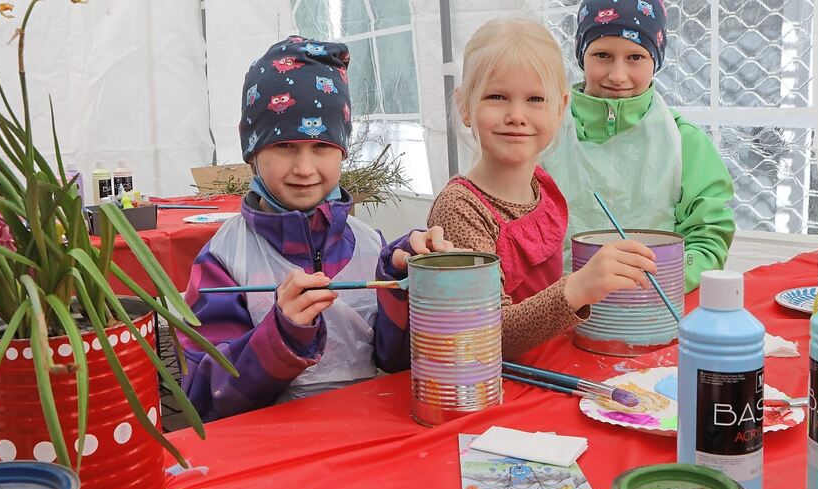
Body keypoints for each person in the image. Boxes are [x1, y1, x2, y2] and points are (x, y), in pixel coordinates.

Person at [178, 36, 455, 421]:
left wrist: (405, 284)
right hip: (271, 445)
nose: (305, 168)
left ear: (342, 151)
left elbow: (395, 363)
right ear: (253, 154)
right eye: (284, 147)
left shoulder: (368, 245)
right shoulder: (224, 260)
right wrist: (281, 334)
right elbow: (203, 398)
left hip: (368, 434)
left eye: (322, 147)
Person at [427, 19, 657, 360]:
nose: (516, 115)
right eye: (496, 97)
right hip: (499, 385)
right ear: (464, 106)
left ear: (560, 108)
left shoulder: (542, 186)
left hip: (552, 368)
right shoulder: (460, 209)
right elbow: (483, 337)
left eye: (536, 98)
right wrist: (578, 287)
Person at [543, 0, 735, 292]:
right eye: (602, 55)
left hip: (651, 302)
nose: (618, 75)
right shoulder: (544, 132)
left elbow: (707, 237)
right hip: (557, 306)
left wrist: (658, 279)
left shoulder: (684, 142)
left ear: (655, 59)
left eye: (635, 57)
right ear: (582, 55)